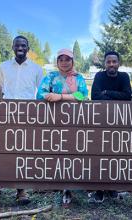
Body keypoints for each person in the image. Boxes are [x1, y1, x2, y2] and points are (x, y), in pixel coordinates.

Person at [37, 48, 88, 205]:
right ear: (57, 62)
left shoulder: (78, 78)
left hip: (75, 121)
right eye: (61, 59)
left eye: (68, 59)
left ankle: (71, 185)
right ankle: (60, 185)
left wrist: (60, 97)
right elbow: (40, 95)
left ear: (72, 61)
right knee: (58, 151)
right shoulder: (51, 77)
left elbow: (83, 96)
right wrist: (52, 97)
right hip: (54, 120)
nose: (64, 62)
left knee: (73, 151)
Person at [0, 35, 44, 204]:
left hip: (27, 114)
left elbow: (41, 93)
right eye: (17, 45)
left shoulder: (37, 69)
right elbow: (0, 89)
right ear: (12, 47)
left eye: (23, 45)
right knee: (4, 148)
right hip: (6, 113)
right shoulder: (3, 67)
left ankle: (21, 190)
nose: (20, 48)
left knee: (22, 151)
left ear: (28, 48)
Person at [90, 51, 132, 203]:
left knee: (115, 154)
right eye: (109, 62)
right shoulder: (99, 76)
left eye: (114, 61)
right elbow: (94, 96)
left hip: (118, 121)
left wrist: (107, 92)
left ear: (118, 63)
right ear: (105, 63)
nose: (112, 64)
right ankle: (99, 189)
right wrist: (116, 95)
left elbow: (127, 96)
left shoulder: (124, 77)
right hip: (100, 121)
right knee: (100, 153)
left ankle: (112, 186)